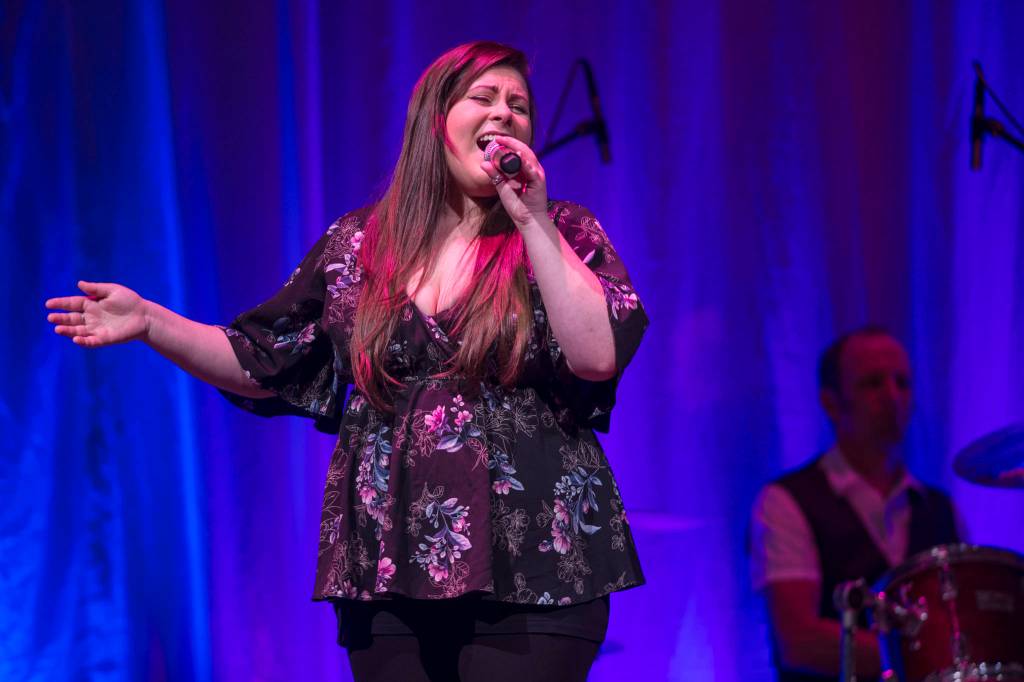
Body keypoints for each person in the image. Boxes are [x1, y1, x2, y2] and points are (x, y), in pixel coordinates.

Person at [45, 41, 647, 681]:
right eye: (484, 98)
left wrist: (531, 220)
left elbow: (594, 355)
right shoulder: (360, 242)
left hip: (534, 566)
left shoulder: (561, 231)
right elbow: (263, 358)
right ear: (435, 118)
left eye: (519, 105)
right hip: (389, 565)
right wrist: (152, 322)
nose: (505, 114)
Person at [749, 327, 962, 681]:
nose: (893, 396)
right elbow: (798, 641)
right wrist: (927, 654)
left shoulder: (939, 508)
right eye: (873, 383)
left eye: (902, 383)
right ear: (831, 403)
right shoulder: (787, 501)